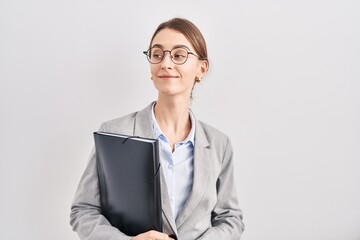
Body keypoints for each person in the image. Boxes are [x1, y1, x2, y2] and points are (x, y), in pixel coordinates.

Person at [70, 17, 244, 240]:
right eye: (157, 54)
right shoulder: (114, 132)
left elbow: (230, 218)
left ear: (202, 68)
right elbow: (83, 210)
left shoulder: (219, 143)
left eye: (179, 55)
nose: (166, 63)